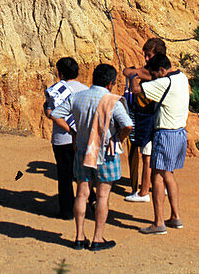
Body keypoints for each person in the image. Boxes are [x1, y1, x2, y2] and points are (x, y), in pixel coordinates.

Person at [53, 63, 132, 252]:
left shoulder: (78, 97)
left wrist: (73, 132)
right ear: (111, 83)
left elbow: (56, 114)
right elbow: (128, 125)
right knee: (103, 195)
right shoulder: (112, 100)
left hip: (82, 150)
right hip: (105, 152)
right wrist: (118, 139)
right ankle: (97, 239)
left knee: (81, 193)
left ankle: (79, 237)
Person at [133, 53, 190, 235]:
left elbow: (136, 91)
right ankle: (175, 216)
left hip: (165, 134)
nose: (155, 77)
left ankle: (158, 222)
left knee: (159, 176)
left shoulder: (164, 82)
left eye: (156, 74)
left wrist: (134, 76)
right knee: (167, 175)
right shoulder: (182, 77)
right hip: (180, 132)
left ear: (162, 70)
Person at [123, 37, 167, 203]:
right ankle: (160, 185)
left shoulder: (150, 72)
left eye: (149, 55)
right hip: (158, 116)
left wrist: (134, 73)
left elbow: (128, 73)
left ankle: (143, 192)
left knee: (146, 154)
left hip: (147, 118)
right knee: (158, 154)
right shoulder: (164, 71)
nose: (146, 59)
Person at [44, 57, 86, 220]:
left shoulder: (55, 90)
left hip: (62, 139)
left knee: (64, 176)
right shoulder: (85, 89)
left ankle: (67, 211)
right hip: (82, 137)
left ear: (60, 73)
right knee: (84, 175)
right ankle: (92, 203)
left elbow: (50, 114)